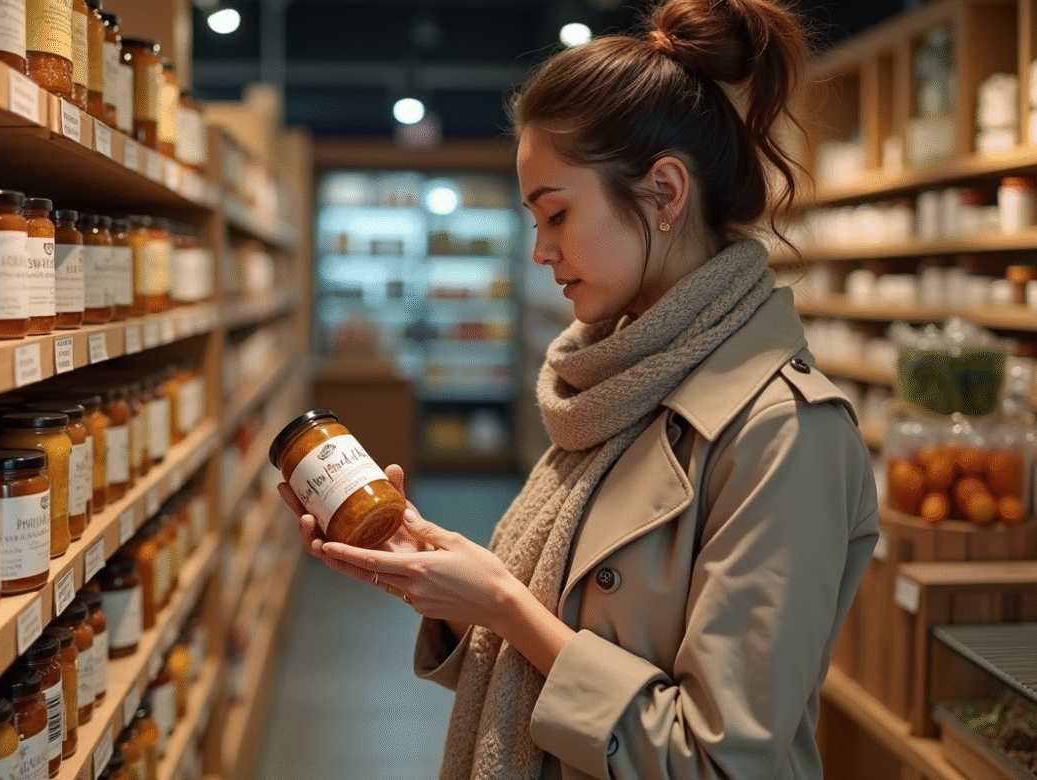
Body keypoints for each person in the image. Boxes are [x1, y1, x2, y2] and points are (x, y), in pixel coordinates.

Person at [279, 0, 880, 778]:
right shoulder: (605, 388)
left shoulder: (783, 434)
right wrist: (439, 577)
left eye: (556, 215)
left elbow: (722, 761)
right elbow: (553, 649)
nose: (540, 252)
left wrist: (503, 603)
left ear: (664, 194)